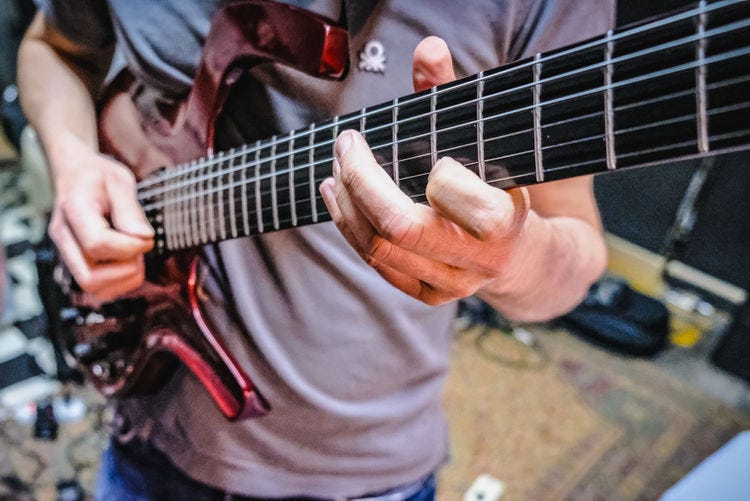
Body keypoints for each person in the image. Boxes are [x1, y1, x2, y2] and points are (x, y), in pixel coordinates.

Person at [18, 0, 612, 499]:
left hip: (362, 471)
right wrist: (74, 164)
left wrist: (513, 258)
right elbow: (53, 48)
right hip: (151, 432)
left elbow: (573, 245)